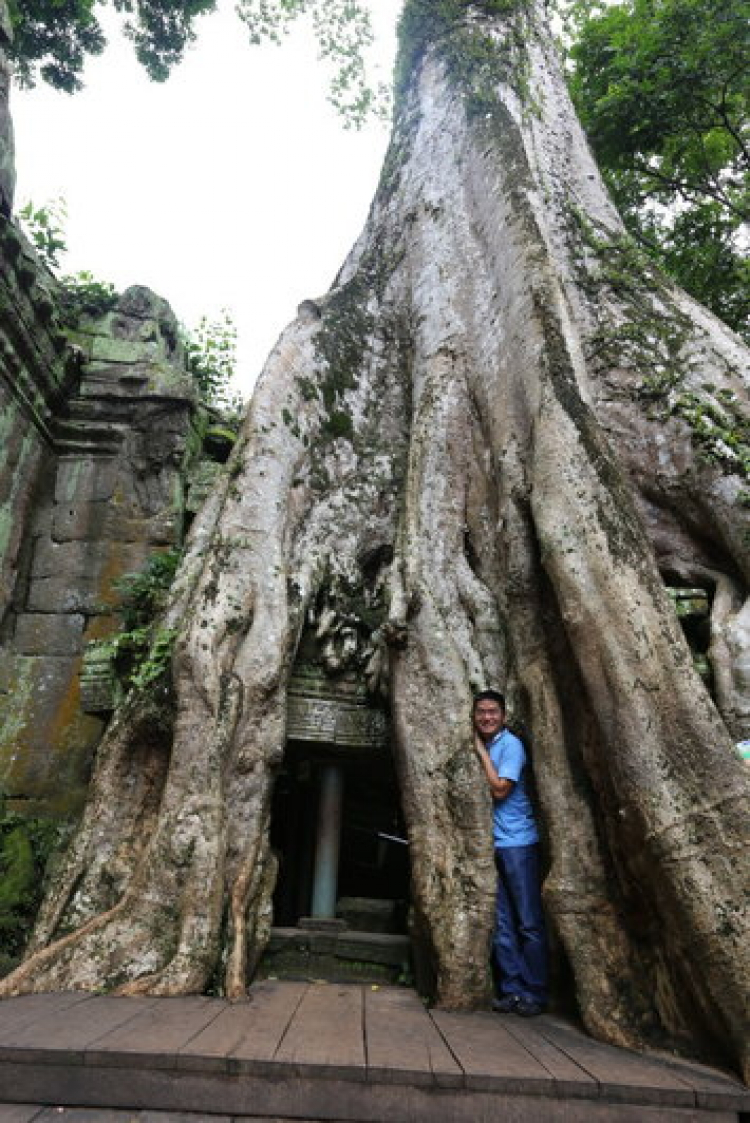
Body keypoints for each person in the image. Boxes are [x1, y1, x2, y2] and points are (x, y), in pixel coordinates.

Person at [473, 689, 548, 1016]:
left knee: (528, 921)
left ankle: (535, 992)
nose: (486, 717)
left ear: (502, 715)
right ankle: (511, 990)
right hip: (491, 844)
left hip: (518, 844)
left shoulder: (510, 745)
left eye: (492, 712)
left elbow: (501, 790)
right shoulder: (489, 746)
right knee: (501, 922)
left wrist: (480, 752)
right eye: (481, 712)